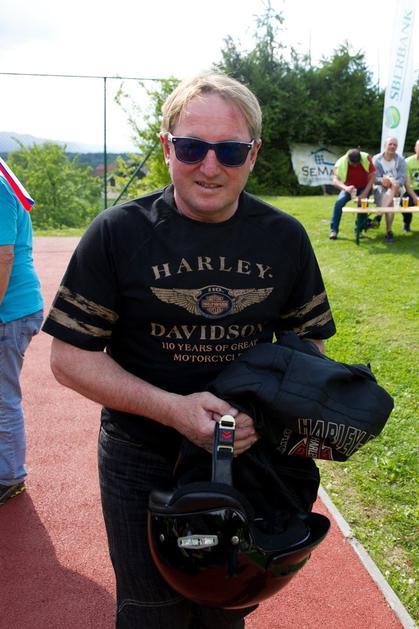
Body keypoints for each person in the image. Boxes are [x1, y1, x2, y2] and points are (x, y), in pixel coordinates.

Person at [42, 73, 336, 629]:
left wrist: (271, 413)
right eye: (191, 147)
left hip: (246, 456)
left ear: (253, 154)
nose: (210, 166)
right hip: (141, 456)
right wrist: (174, 410)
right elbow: (69, 359)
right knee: (150, 612)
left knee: (225, 605)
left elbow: (308, 344)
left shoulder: (284, 237)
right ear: (166, 147)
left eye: (230, 151)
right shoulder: (117, 234)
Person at [0, 163, 43, 505]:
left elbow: (3, 257)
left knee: (2, 397)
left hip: (9, 311)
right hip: (12, 307)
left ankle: (9, 477)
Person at [329, 148, 375, 240]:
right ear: (348, 160)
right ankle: (334, 230)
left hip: (364, 187)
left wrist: (365, 193)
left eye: (357, 164)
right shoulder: (340, 163)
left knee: (362, 205)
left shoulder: (366, 158)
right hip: (348, 188)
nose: (355, 165)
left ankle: (359, 230)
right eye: (352, 164)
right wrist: (345, 188)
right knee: (339, 203)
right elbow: (335, 181)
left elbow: (372, 177)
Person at [372, 136, 407, 243]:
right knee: (390, 202)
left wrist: (393, 182)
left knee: (395, 185)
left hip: (397, 189)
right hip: (380, 188)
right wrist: (382, 180)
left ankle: (378, 216)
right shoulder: (376, 159)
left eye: (395, 145)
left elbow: (402, 178)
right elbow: (374, 178)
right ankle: (389, 232)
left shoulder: (401, 160)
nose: (392, 146)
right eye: (390, 144)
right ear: (385, 146)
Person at [403, 138, 419, 232]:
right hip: (412, 190)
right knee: (404, 203)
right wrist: (415, 197)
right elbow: (407, 184)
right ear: (415, 148)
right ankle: (407, 223)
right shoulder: (407, 162)